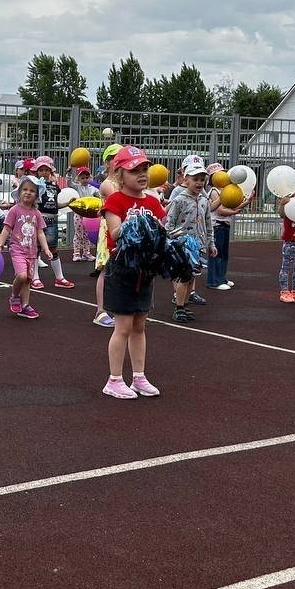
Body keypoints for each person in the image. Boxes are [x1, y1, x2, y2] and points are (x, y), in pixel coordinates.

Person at [100, 146, 165, 399]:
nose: (142, 174)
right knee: (123, 327)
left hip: (144, 270)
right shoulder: (115, 201)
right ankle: (114, 379)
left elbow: (161, 232)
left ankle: (139, 377)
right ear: (119, 174)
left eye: (144, 169)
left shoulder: (153, 201)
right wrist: (136, 222)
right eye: (134, 170)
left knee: (140, 325)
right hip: (122, 268)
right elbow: (115, 233)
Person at [0, 175, 54, 319]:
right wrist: (0, 246)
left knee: (28, 279)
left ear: (36, 195)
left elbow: (40, 232)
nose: (28, 192)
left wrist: (46, 249)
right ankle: (14, 296)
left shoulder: (36, 213)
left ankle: (25, 305)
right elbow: (6, 228)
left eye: (32, 191)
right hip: (17, 250)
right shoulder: (15, 210)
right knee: (22, 276)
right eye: (25, 190)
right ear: (19, 192)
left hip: (32, 252)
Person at [165, 161, 214, 321]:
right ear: (186, 180)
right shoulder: (179, 200)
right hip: (182, 245)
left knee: (191, 277)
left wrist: (211, 244)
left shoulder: (204, 201)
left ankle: (184, 305)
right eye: (195, 179)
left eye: (202, 180)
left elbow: (208, 224)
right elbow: (170, 223)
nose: (199, 183)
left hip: (198, 245)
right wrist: (172, 242)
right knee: (183, 277)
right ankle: (179, 308)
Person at [92, 144, 123, 327]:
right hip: (109, 229)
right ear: (107, 163)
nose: (118, 162)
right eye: (114, 158)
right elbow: (119, 200)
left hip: (125, 227)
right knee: (106, 269)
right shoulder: (107, 184)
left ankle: (119, 307)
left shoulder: (125, 183)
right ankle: (100, 311)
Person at [32, 156, 74, 289]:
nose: (44, 172)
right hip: (39, 219)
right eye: (41, 170)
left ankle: (59, 278)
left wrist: (67, 203)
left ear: (51, 171)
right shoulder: (35, 186)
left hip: (52, 220)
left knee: (54, 248)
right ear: (36, 172)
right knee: (36, 249)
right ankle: (35, 277)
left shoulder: (54, 186)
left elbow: (55, 204)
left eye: (46, 170)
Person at [206, 162, 246, 291]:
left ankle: (221, 278)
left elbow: (232, 207)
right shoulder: (214, 191)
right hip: (216, 225)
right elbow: (220, 211)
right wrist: (235, 212)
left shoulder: (227, 190)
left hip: (224, 225)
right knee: (216, 254)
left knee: (223, 254)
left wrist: (247, 201)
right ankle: (213, 281)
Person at [70, 166, 99, 261]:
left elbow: (99, 194)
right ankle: (76, 253)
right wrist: (69, 174)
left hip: (88, 215)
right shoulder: (77, 187)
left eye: (87, 177)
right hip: (79, 214)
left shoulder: (92, 189)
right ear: (78, 179)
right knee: (78, 234)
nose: (85, 180)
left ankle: (86, 253)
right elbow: (70, 183)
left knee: (86, 234)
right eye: (82, 178)